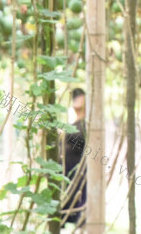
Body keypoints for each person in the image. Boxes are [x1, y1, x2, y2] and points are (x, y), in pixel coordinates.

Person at [60, 88, 87, 227]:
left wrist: (63, 134)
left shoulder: (87, 125)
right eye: (74, 96)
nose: (76, 98)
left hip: (79, 175)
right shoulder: (71, 125)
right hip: (65, 177)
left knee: (80, 217)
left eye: (80, 95)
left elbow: (81, 141)